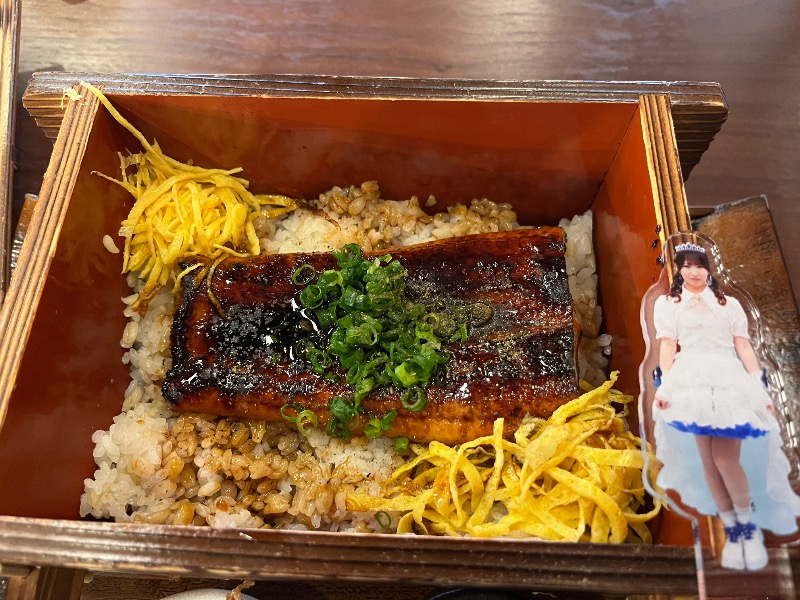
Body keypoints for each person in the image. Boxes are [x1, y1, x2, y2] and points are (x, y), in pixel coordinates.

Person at [652, 241, 800, 571]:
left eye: (699, 265)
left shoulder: (728, 304)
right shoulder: (669, 304)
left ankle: (747, 525)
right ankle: (732, 529)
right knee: (707, 457)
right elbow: (668, 346)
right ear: (679, 269)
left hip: (727, 378)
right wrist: (666, 384)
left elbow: (743, 346)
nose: (694, 272)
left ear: (708, 269)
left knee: (724, 457)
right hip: (691, 380)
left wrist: (758, 386)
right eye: (687, 266)